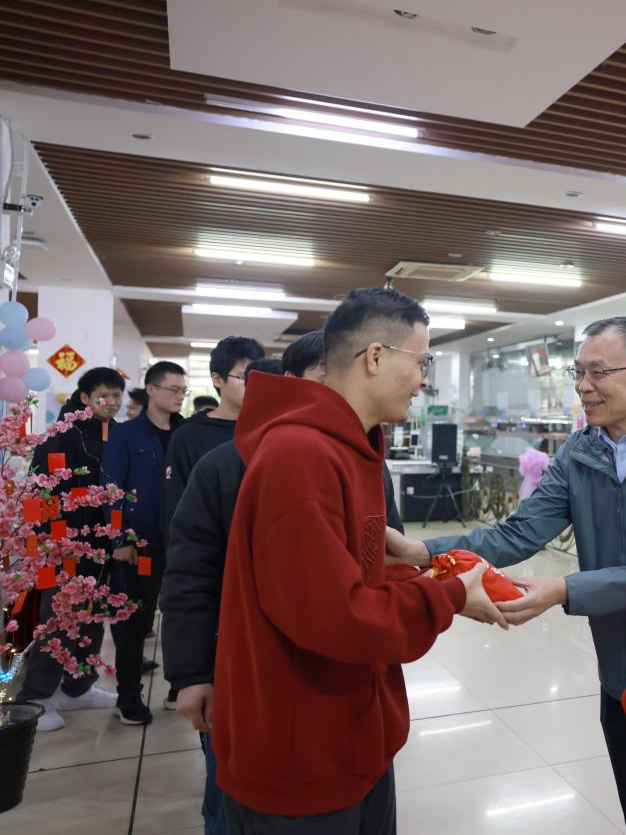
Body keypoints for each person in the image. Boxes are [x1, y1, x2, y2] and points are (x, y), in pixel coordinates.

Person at [418, 315, 626, 835]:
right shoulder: (582, 450)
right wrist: (421, 551)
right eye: (578, 372)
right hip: (621, 671)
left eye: (599, 372)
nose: (583, 386)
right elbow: (519, 532)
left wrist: (564, 590)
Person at [213, 288, 503, 829]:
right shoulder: (301, 456)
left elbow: (349, 575)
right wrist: (447, 596)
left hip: (349, 733)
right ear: (374, 356)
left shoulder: (350, 448)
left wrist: (418, 569)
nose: (424, 380)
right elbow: (334, 615)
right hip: (302, 757)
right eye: (421, 362)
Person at [158, 336, 264, 712]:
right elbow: (179, 525)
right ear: (217, 380)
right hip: (214, 580)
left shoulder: (272, 431)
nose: (253, 385)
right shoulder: (190, 437)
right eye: (243, 376)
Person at [19, 367, 127, 732]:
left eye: (117, 395)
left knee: (91, 617)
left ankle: (78, 687)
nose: (111, 402)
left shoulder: (114, 433)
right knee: (58, 619)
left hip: (101, 544)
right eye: (103, 395)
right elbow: (41, 491)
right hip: (63, 545)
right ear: (84, 397)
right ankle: (35, 698)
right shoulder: (61, 436)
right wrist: (50, 544)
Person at [101, 360, 186, 725]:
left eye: (183, 390)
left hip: (182, 541)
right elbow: (111, 490)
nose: (180, 397)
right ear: (151, 390)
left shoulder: (186, 432)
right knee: (134, 624)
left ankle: (180, 687)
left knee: (183, 616)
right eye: (174, 389)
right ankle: (128, 697)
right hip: (139, 545)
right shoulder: (126, 435)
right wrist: (119, 539)